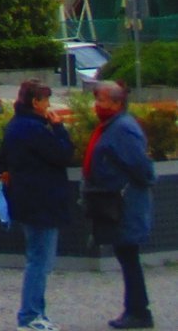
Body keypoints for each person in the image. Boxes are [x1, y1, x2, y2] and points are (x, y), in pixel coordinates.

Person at [0, 79, 72, 331]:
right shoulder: (34, 129)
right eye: (46, 100)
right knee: (40, 260)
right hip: (42, 201)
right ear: (35, 102)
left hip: (26, 200)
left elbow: (1, 161)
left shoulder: (15, 126)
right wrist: (59, 129)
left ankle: (36, 312)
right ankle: (30, 315)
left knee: (37, 258)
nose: (49, 105)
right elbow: (63, 155)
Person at [83, 79, 155, 330]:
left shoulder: (122, 128)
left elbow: (142, 167)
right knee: (126, 257)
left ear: (117, 102)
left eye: (101, 100)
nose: (97, 105)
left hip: (125, 204)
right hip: (118, 202)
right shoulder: (113, 126)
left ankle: (138, 311)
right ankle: (135, 309)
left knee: (128, 257)